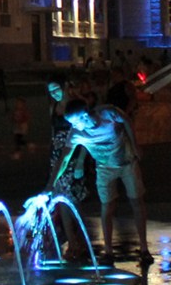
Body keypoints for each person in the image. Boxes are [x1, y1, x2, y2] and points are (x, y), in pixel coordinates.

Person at [56, 97, 149, 263]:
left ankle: (144, 247)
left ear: (84, 116)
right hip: (104, 168)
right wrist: (52, 183)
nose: (73, 126)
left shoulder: (108, 113)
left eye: (75, 122)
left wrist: (134, 144)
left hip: (127, 162)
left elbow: (126, 119)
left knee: (136, 201)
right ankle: (108, 250)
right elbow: (64, 157)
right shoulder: (76, 133)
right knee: (107, 205)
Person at [9, 95, 31, 160]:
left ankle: (17, 153)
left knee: (17, 139)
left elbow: (26, 117)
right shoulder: (16, 110)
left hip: (22, 125)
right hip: (18, 125)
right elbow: (14, 117)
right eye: (17, 103)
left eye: (19, 103)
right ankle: (28, 145)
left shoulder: (23, 110)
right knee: (17, 139)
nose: (17, 104)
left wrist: (23, 124)